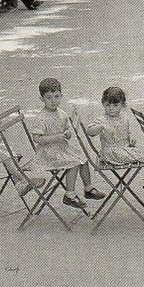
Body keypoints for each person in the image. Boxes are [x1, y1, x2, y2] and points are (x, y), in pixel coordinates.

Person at [85, 86, 144, 198]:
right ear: (103, 104)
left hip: (124, 149)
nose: (111, 108)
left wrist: (131, 139)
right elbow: (90, 131)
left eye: (115, 105)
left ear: (122, 105)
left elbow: (126, 134)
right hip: (111, 153)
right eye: (108, 105)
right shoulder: (102, 119)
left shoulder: (123, 117)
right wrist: (101, 127)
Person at [30, 78, 102, 211]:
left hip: (61, 148)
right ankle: (69, 195)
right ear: (42, 99)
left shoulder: (61, 113)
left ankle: (88, 188)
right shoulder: (41, 117)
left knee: (83, 158)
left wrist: (69, 131)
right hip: (47, 153)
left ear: (61, 96)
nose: (53, 100)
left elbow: (68, 130)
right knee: (74, 162)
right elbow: (37, 138)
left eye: (56, 97)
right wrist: (55, 138)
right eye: (49, 97)